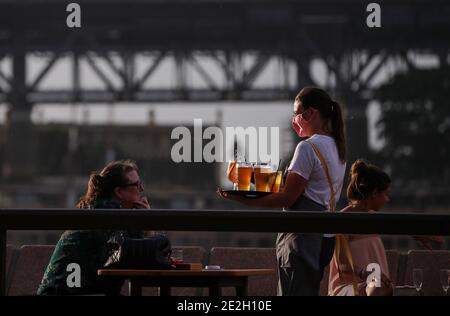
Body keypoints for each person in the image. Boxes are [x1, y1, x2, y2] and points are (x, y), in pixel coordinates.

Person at [218, 86, 347, 296]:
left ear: (311, 113)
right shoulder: (336, 147)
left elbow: (288, 196)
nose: (294, 120)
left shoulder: (307, 148)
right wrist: (250, 176)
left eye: (297, 113)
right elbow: (304, 187)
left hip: (301, 238)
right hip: (323, 238)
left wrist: (244, 199)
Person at [329, 160, 444, 296]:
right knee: (376, 287)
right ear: (374, 193)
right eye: (385, 194)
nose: (387, 199)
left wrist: (418, 235)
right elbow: (342, 265)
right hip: (349, 287)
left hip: (376, 285)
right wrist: (365, 273)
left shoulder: (374, 218)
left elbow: (397, 226)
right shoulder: (344, 219)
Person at [37, 159, 151, 295]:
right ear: (119, 192)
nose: (142, 189)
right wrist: (146, 222)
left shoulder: (107, 212)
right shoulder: (107, 216)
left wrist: (145, 223)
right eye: (137, 185)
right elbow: (134, 257)